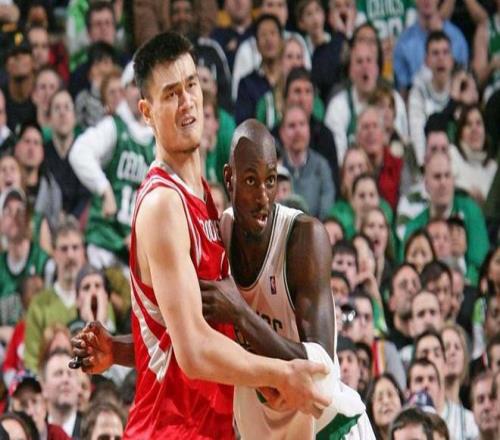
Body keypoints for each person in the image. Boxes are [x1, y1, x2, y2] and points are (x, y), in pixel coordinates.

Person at [72, 31, 332, 439]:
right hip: (170, 430)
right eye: (170, 93)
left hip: (209, 427)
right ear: (146, 112)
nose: (186, 101)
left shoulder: (203, 197)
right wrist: (282, 374)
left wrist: (121, 349)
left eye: (191, 85)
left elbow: (177, 332)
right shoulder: (163, 204)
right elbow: (193, 351)